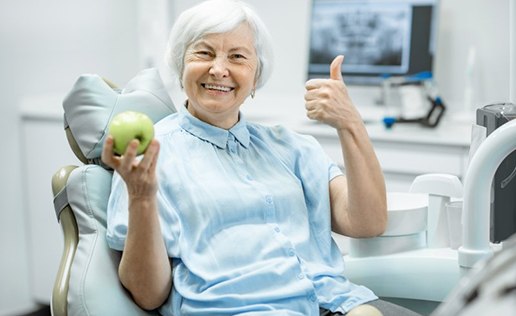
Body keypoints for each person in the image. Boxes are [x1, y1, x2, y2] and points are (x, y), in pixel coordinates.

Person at [102, 1, 420, 315]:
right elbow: (148, 295)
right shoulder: (149, 159)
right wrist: (141, 197)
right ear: (180, 64)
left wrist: (350, 123)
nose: (218, 69)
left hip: (334, 301)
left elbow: (368, 222)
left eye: (237, 57)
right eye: (204, 53)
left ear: (256, 76)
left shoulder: (292, 148)